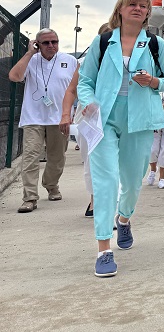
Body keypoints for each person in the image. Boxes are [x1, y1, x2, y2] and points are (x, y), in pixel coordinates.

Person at [77, 0, 164, 277]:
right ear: (120, 9)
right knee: (106, 181)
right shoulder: (103, 41)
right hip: (105, 118)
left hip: (140, 118)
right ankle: (103, 250)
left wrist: (153, 81)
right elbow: (85, 81)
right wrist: (88, 101)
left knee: (132, 182)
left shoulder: (156, 44)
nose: (138, 9)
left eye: (143, 6)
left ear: (147, 13)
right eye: (132, 4)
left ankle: (124, 218)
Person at [9, 28, 78, 213]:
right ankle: (30, 197)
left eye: (54, 42)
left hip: (60, 118)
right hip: (33, 118)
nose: (51, 46)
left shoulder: (70, 61)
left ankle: (51, 184)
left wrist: (71, 113)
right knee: (30, 156)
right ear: (37, 44)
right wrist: (29, 53)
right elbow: (14, 77)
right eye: (46, 42)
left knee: (57, 158)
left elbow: (77, 88)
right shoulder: (31, 60)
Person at [61, 23, 112, 217]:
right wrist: (66, 115)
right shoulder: (85, 63)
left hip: (116, 116)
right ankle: (94, 199)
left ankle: (111, 202)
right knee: (91, 160)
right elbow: (72, 90)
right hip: (87, 117)